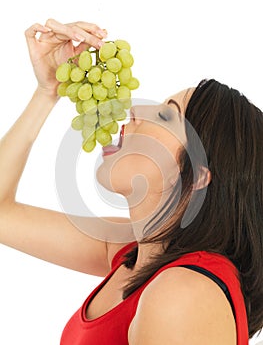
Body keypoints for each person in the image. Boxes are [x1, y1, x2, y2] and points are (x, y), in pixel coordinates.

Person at [0, 18, 262, 345]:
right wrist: (47, 91)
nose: (135, 109)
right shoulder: (130, 252)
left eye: (166, 115)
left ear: (197, 176)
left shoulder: (184, 294)